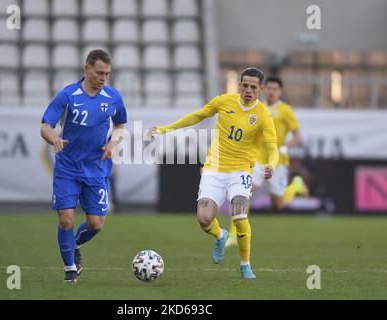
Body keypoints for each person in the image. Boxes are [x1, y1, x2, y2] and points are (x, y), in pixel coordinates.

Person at [149, 67, 278, 279]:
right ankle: (220, 236)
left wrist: (271, 164)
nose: (248, 90)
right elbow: (198, 115)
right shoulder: (224, 101)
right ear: (239, 85)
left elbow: (272, 148)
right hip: (214, 168)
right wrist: (165, 129)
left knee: (239, 214)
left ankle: (245, 264)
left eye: (253, 87)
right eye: (244, 85)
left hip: (241, 171)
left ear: (261, 89)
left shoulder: (263, 115)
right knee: (204, 218)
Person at [40, 49, 127, 283]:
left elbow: (120, 125)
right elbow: (45, 126)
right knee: (66, 219)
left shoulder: (113, 97)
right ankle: (70, 270)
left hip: (97, 168)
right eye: (99, 72)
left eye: (107, 74)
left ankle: (75, 243)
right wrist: (54, 139)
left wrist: (113, 142)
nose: (103, 78)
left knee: (96, 224)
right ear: (86, 68)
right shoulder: (68, 95)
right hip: (68, 167)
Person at [226, 75, 308, 247]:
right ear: (263, 89)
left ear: (280, 91)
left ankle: (296, 186)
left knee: (278, 204)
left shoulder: (285, 110)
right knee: (244, 193)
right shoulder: (258, 107)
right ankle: (234, 235)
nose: (271, 91)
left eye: (274, 89)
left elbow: (298, 136)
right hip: (256, 159)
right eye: (268, 88)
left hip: (277, 161)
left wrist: (286, 147)